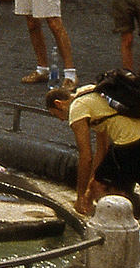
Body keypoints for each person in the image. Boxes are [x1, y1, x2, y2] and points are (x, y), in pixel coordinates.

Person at [47, 80, 140, 214]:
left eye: (56, 115)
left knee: (103, 189)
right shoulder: (89, 91)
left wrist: (80, 196)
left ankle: (109, 225)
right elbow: (102, 148)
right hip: (131, 141)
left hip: (129, 143)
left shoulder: (76, 109)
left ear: (58, 103)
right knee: (102, 184)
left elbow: (86, 157)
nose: (61, 119)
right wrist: (93, 180)